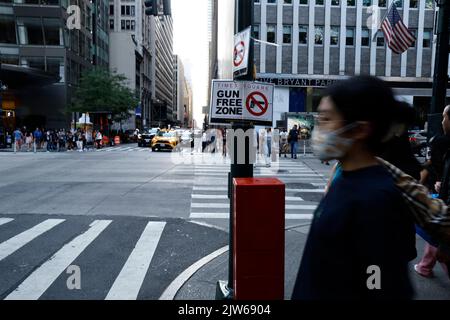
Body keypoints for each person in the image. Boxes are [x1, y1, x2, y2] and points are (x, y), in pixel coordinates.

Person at [292, 76, 417, 300]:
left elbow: (378, 284)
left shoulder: (376, 201)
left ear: (359, 130)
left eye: (326, 119)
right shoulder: (347, 178)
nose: (318, 129)